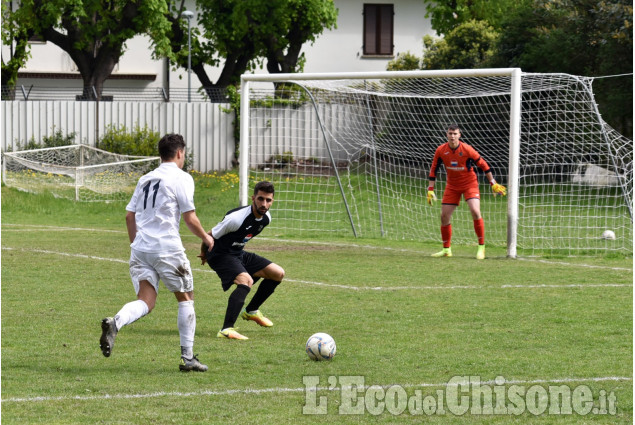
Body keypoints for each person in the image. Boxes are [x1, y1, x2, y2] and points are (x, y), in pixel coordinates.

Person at [99, 133, 214, 372]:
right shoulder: (182, 178)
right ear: (180, 153)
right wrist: (206, 238)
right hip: (168, 248)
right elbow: (189, 217)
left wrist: (136, 245)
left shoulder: (145, 179)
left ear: (161, 154)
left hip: (140, 249)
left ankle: (116, 322)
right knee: (186, 298)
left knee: (146, 301)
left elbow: (129, 216)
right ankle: (188, 357)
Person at [198, 181, 285, 340]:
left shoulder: (266, 219)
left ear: (272, 201)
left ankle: (251, 311)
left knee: (277, 273)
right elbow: (210, 234)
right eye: (260, 199)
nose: (264, 203)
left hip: (238, 253)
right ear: (253, 198)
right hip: (219, 254)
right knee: (246, 280)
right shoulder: (236, 219)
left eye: (268, 200)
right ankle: (226, 329)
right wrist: (204, 253)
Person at [427, 125, 506, 259]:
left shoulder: (467, 149)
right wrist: (430, 189)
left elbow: (483, 165)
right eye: (450, 133)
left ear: (460, 135)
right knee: (444, 216)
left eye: (455, 134)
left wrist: (493, 183)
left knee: (475, 211)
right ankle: (446, 250)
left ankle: (481, 247)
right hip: (452, 186)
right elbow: (433, 169)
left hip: (470, 184)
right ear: (447, 135)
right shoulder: (441, 150)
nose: (452, 136)